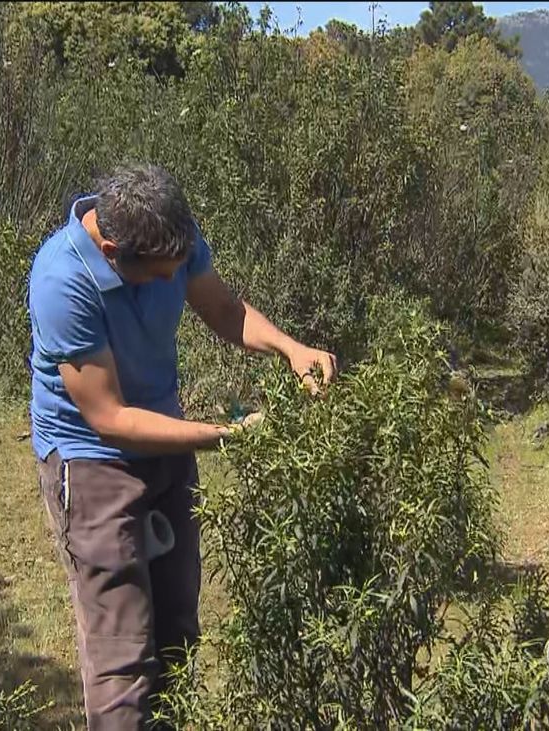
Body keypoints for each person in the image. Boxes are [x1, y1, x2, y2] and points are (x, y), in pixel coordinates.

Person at [27, 163, 336, 729]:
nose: (170, 280)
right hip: (93, 461)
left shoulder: (172, 234)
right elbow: (111, 419)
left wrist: (291, 349)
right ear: (117, 251)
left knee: (176, 636)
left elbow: (224, 310)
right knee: (123, 658)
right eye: (157, 276)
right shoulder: (61, 283)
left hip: (165, 444)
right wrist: (228, 437)